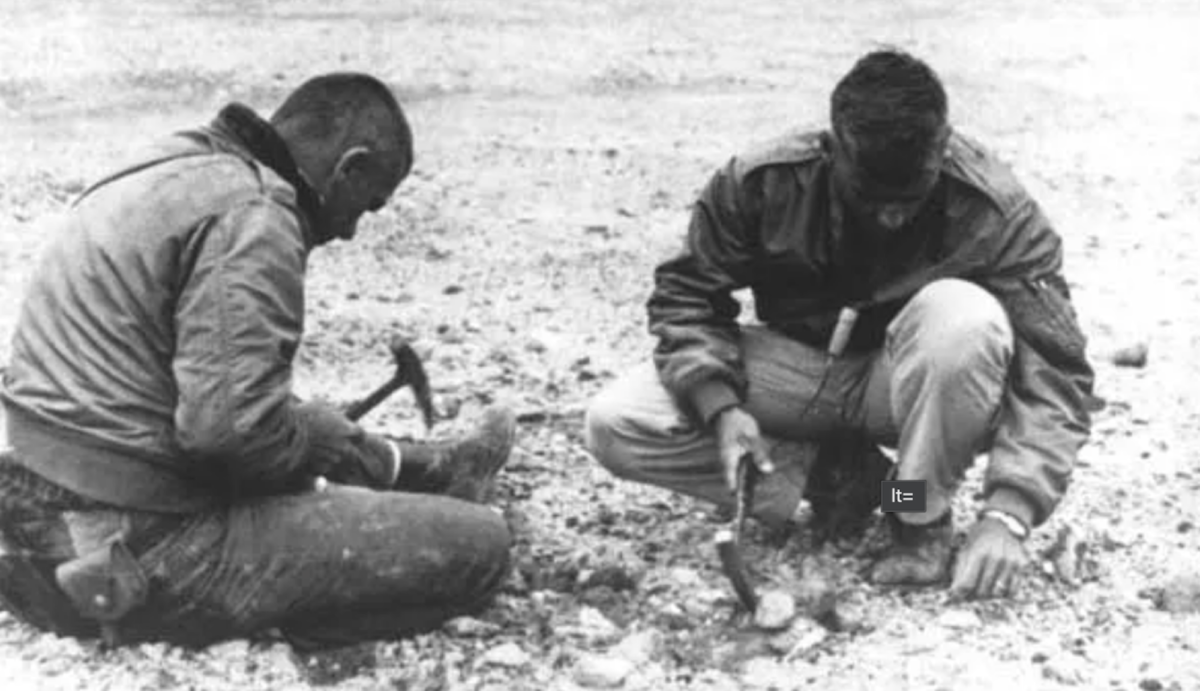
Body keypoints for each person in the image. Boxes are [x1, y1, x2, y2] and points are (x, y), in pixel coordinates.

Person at [0, 73, 517, 651]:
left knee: (286, 423)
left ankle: (428, 469)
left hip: (29, 506)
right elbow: (229, 440)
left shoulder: (171, 163)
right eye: (366, 206)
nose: (348, 231)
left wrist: (296, 431)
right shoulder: (258, 213)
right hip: (132, 546)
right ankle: (286, 622)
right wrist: (303, 442)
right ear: (349, 166)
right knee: (481, 548)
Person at [585, 49, 1097, 600]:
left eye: (910, 196)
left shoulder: (996, 212)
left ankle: (918, 515)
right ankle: (853, 482)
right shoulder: (761, 181)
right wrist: (722, 406)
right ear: (832, 148)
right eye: (871, 197)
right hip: (795, 370)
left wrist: (1008, 516)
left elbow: (1055, 372)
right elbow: (687, 297)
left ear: (942, 147)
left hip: (903, 385)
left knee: (965, 323)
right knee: (616, 424)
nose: (892, 216)